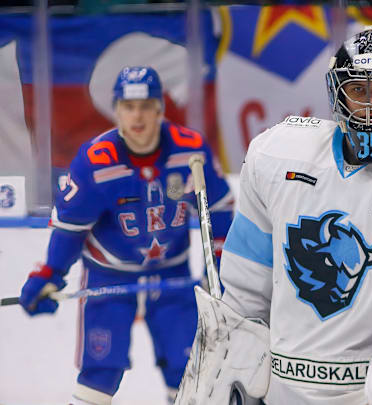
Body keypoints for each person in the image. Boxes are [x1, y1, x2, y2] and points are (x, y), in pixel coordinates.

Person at [176, 27, 372, 405]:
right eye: (358, 90)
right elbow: (244, 297)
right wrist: (228, 364)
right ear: (337, 92)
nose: (370, 106)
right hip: (281, 394)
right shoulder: (277, 155)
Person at [19, 66, 234, 405]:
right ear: (116, 109)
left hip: (171, 277)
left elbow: (218, 211)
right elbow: (71, 229)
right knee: (101, 370)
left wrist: (221, 266)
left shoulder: (190, 150)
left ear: (160, 109)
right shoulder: (94, 161)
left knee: (189, 368)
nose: (138, 116)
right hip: (108, 279)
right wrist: (50, 273)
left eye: (146, 105)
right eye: (129, 106)